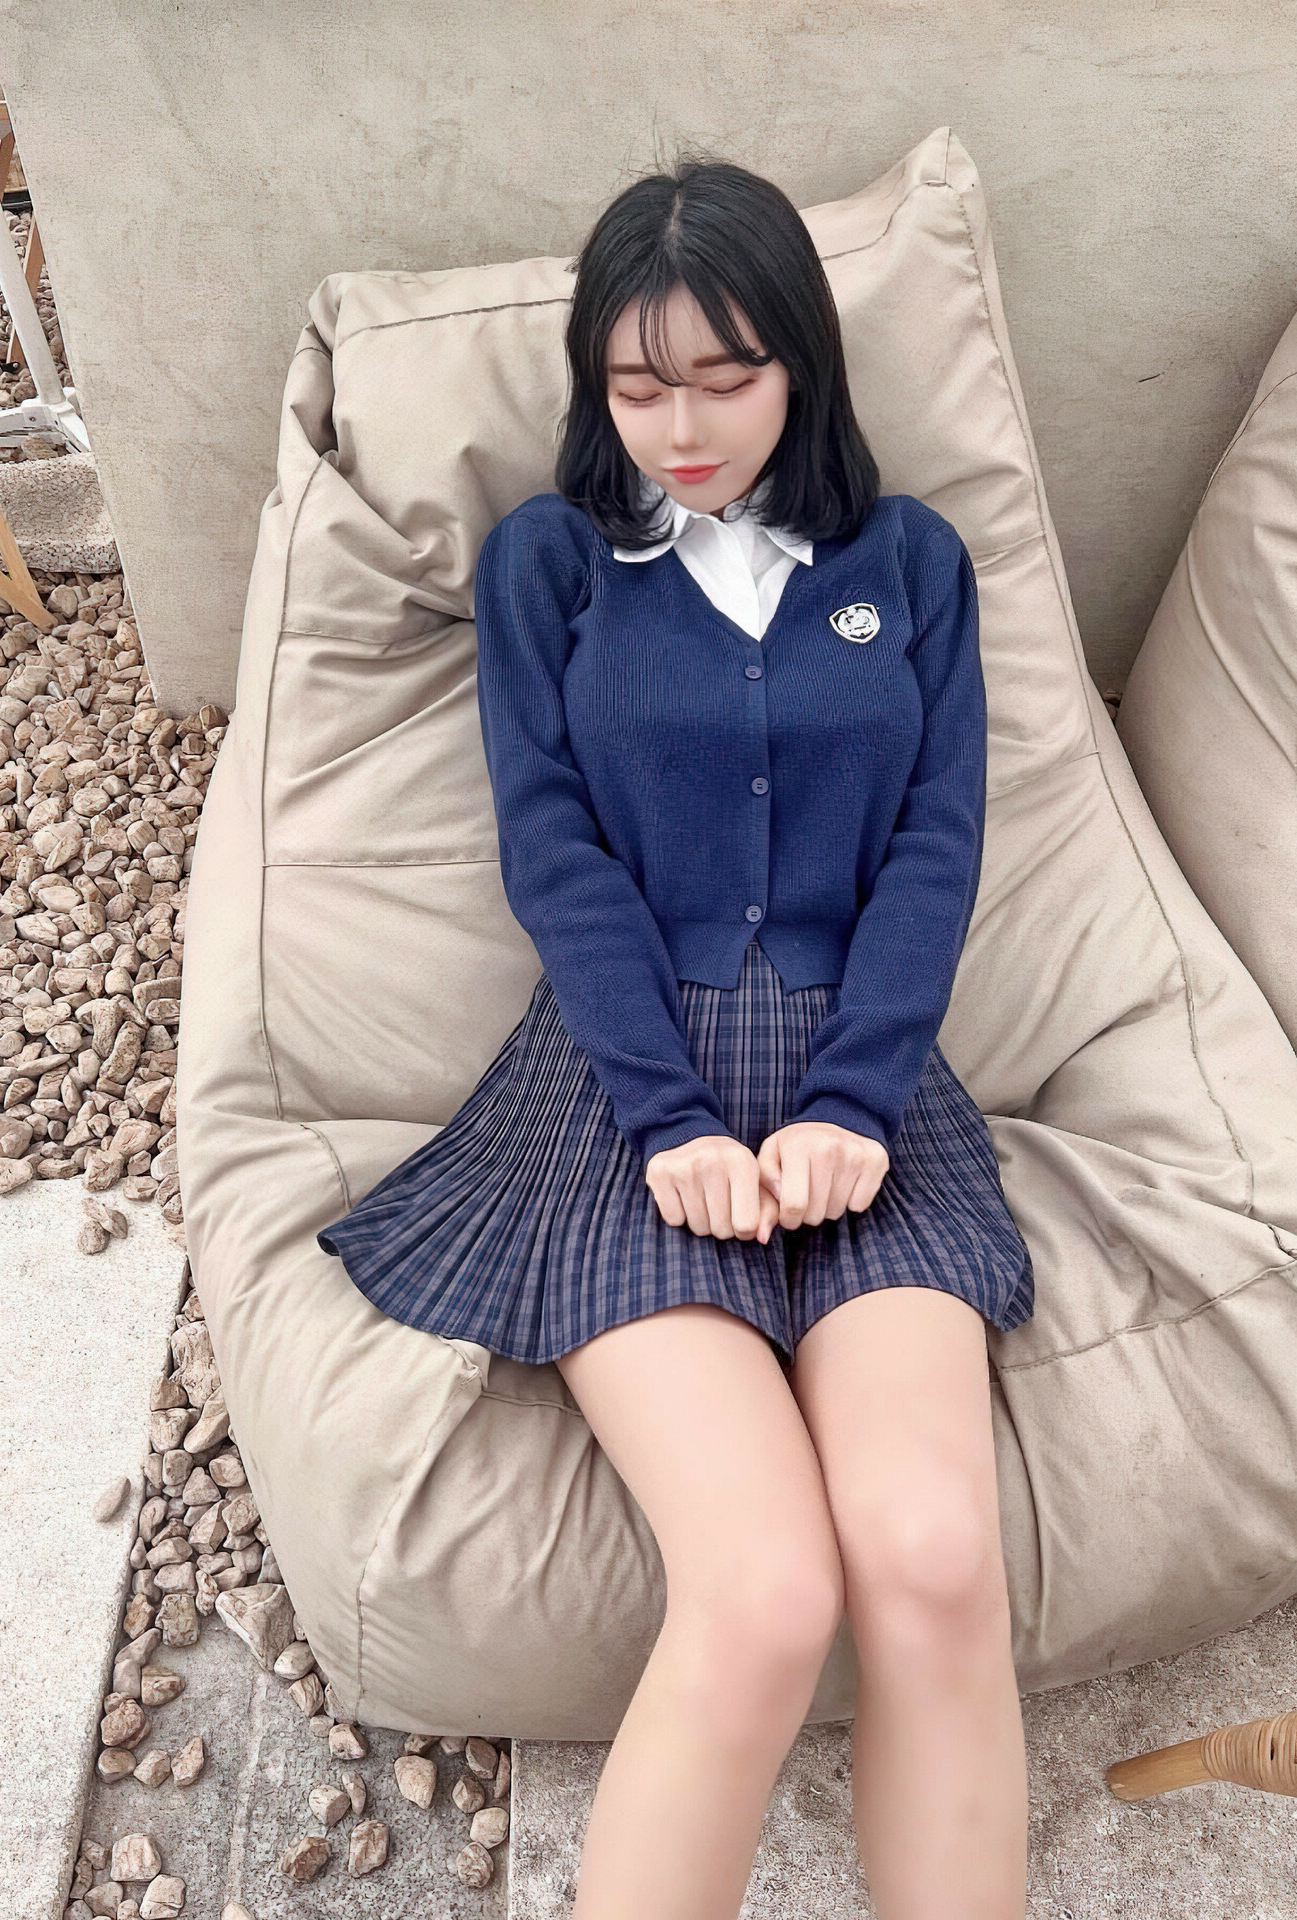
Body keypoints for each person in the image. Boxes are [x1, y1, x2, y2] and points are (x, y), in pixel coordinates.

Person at [317, 151, 1035, 1920]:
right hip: (618, 1102)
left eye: (728, 376)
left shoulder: (910, 566)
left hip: (870, 1098)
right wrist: (670, 1121)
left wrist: (858, 1098)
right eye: (641, 387)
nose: (685, 426)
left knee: (936, 1554)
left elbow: (936, 846)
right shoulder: (552, 567)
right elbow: (554, 858)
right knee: (768, 1588)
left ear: (801, 363)